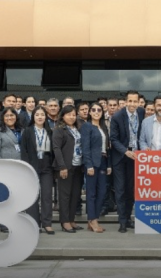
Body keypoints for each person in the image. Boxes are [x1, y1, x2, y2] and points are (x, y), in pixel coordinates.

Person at [109, 91, 145, 233]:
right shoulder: (117, 116)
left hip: (136, 157)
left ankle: (128, 218)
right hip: (121, 157)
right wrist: (125, 151)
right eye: (130, 101)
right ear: (125, 101)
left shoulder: (141, 113)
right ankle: (122, 221)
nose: (132, 104)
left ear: (138, 102)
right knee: (121, 189)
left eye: (135, 101)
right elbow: (113, 139)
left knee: (131, 189)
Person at [0, 107, 23, 233]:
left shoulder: (21, 130)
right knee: (4, 196)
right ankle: (4, 223)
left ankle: (15, 221)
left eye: (12, 115)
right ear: (3, 118)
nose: (10, 118)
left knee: (17, 197)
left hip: (20, 168)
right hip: (4, 168)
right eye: (7, 116)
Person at [23, 107, 55, 235]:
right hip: (32, 165)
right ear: (33, 117)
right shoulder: (28, 131)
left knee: (47, 195)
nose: (40, 117)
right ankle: (34, 223)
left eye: (42, 114)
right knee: (33, 196)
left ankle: (47, 223)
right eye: (37, 115)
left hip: (46, 165)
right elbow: (24, 151)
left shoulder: (49, 131)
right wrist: (26, 167)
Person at [80, 104, 111, 233]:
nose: (96, 112)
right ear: (90, 112)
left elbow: (108, 147)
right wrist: (89, 165)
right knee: (91, 193)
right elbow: (85, 147)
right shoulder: (86, 127)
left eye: (99, 110)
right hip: (92, 162)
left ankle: (92, 219)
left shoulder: (103, 127)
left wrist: (109, 164)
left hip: (103, 161)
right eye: (93, 110)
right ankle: (93, 220)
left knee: (102, 192)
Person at [52, 106, 83, 233]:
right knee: (65, 196)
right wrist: (62, 166)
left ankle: (71, 219)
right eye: (69, 114)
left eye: (74, 114)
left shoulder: (78, 128)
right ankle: (64, 222)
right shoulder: (59, 130)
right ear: (63, 116)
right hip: (66, 167)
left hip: (78, 165)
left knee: (75, 195)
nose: (72, 117)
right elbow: (56, 148)